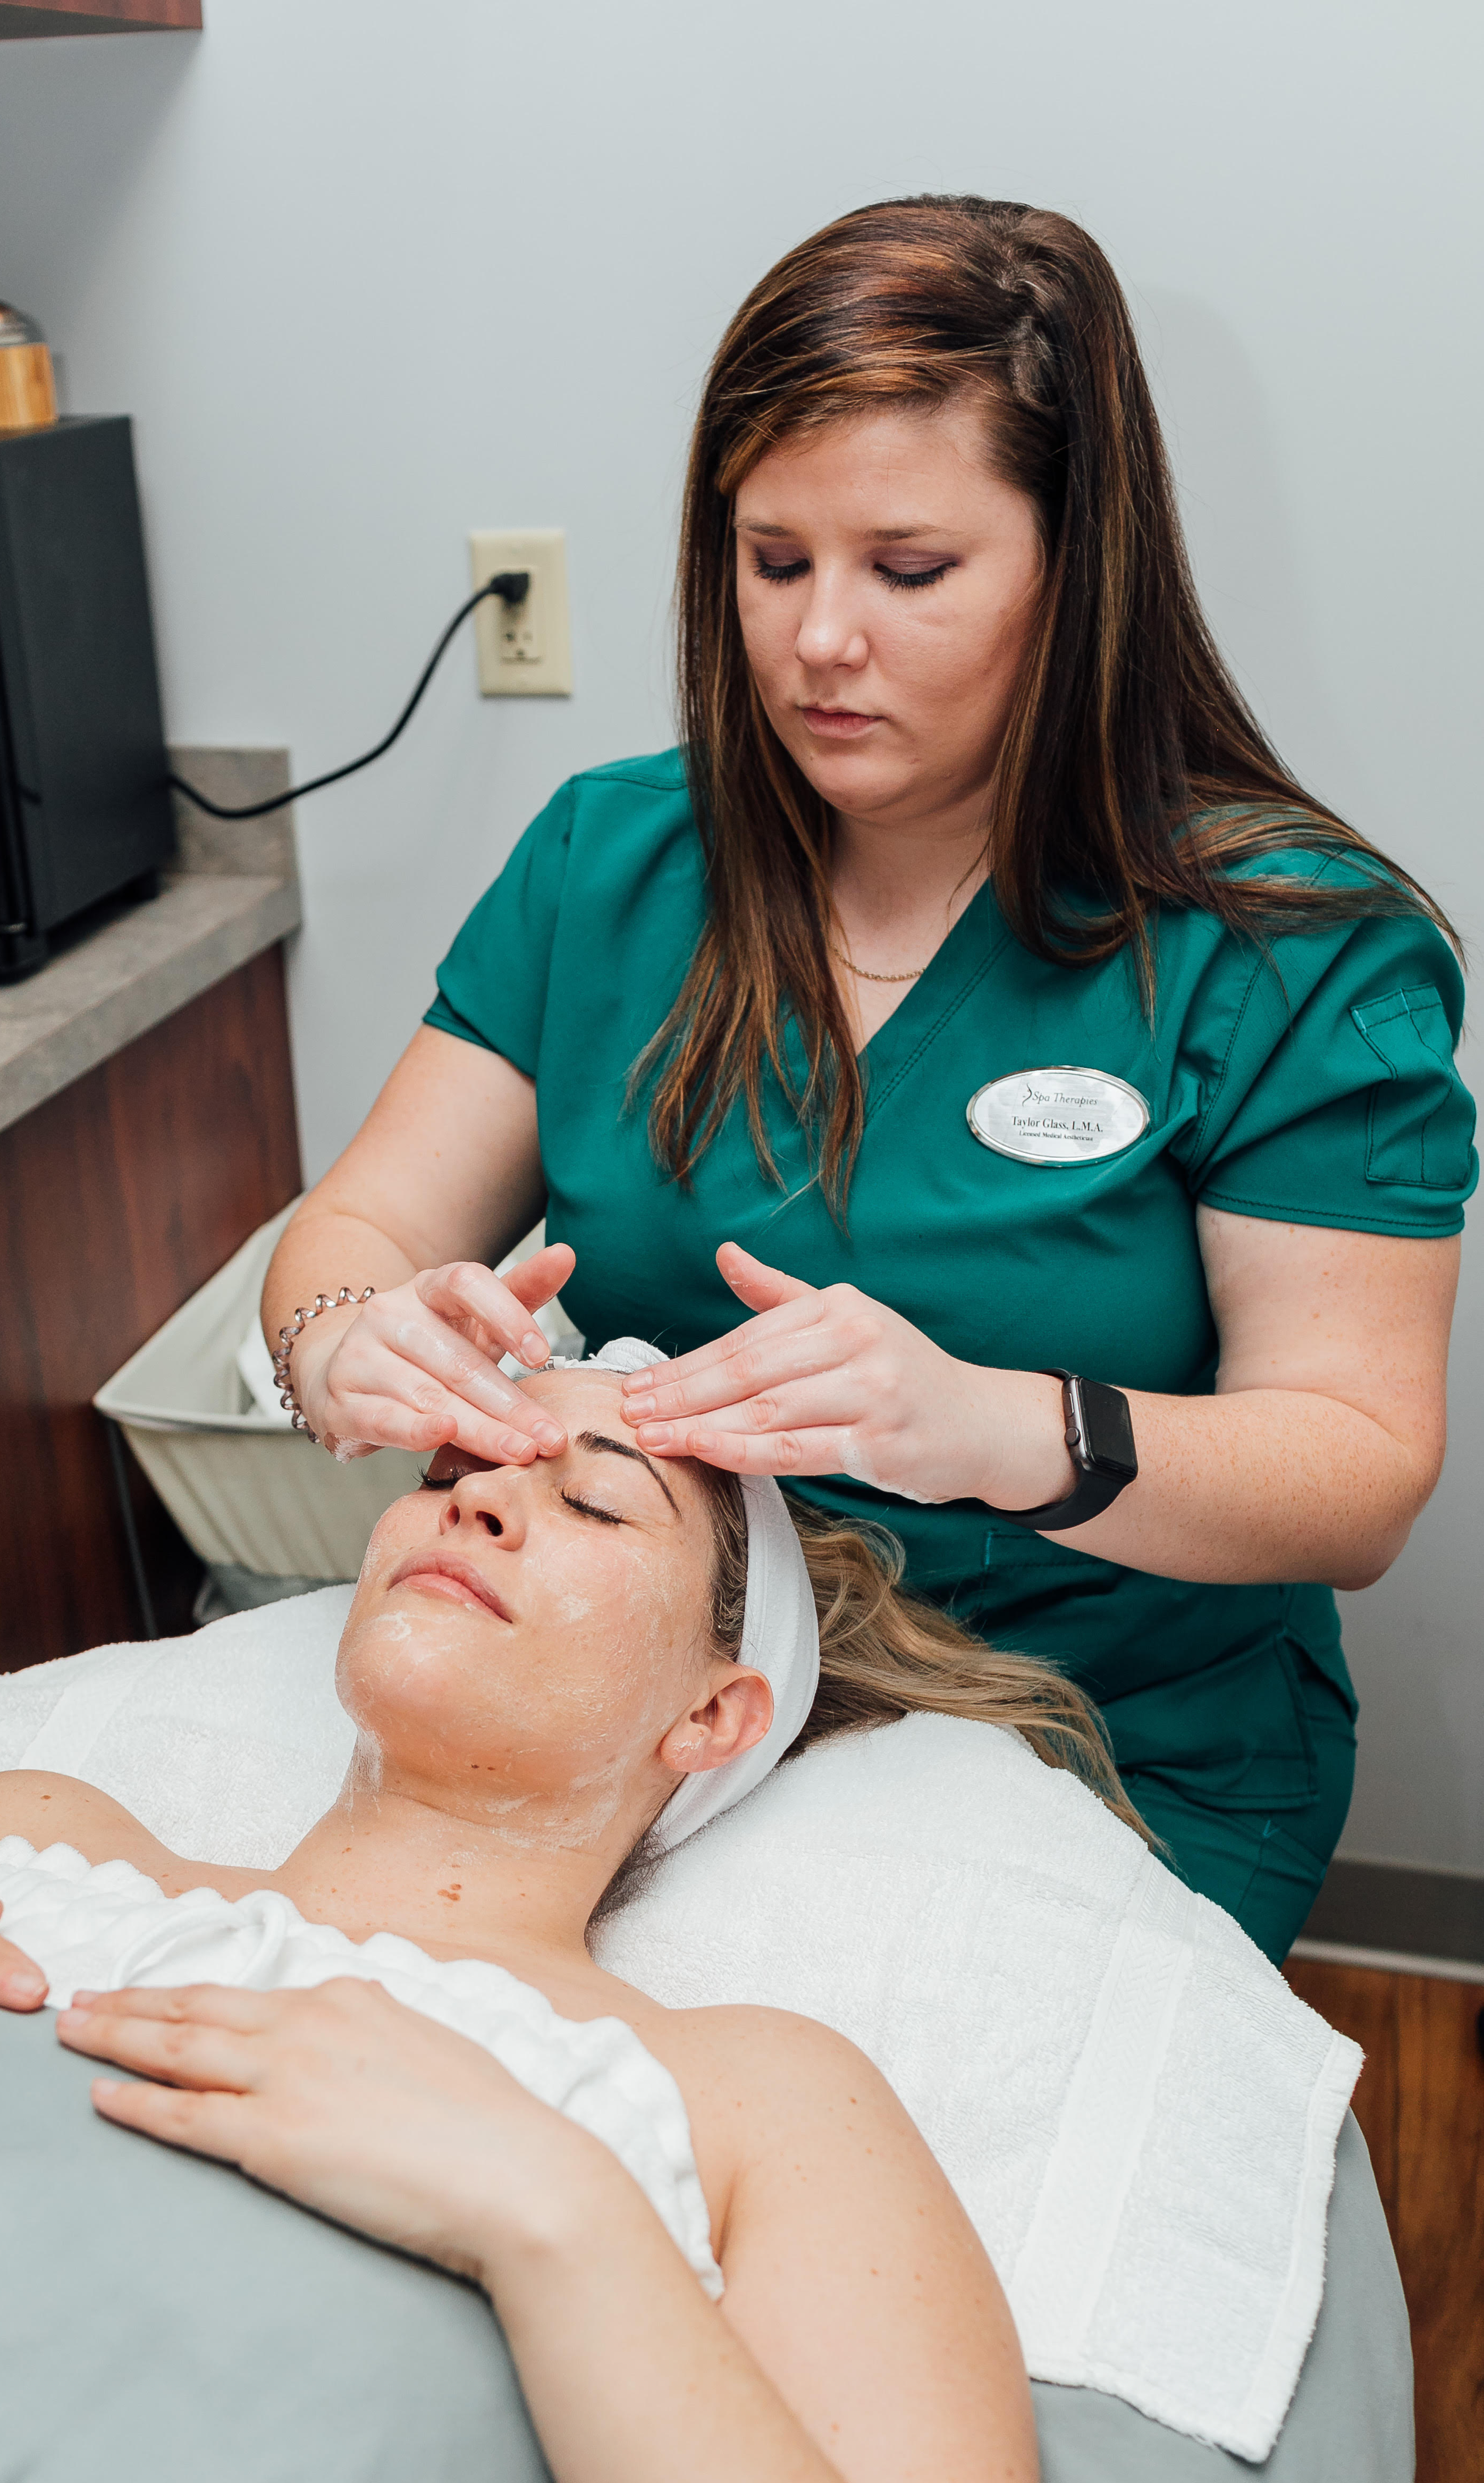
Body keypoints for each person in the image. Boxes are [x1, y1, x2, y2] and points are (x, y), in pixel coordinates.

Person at [258, 193, 1474, 1963]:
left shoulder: (1294, 949)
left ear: (1078, 568)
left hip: (1096, 1739)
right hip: (633, 1715)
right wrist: (345, 1340)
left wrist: (987, 1429)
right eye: (772, 562)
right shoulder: (613, 862)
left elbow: (1357, 1474)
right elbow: (356, 1224)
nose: (820, 641)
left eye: (910, 571)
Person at [0, 1362, 1123, 2483]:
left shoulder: (754, 2099)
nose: (487, 1500)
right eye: (452, 1475)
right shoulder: (36, 1827)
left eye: (590, 1500)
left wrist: (556, 2219)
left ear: (715, 1716)